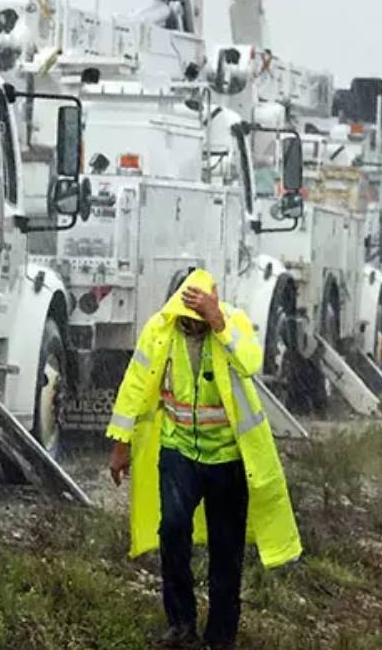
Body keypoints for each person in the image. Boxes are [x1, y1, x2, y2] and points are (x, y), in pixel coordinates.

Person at [106, 269, 301, 649]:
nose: (191, 325)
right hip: (179, 451)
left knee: (226, 551)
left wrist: (218, 321)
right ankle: (181, 623)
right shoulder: (160, 331)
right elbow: (134, 384)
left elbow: (250, 361)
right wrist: (120, 443)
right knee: (173, 529)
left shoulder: (232, 322)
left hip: (227, 458)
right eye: (187, 316)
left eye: (198, 318)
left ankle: (220, 636)